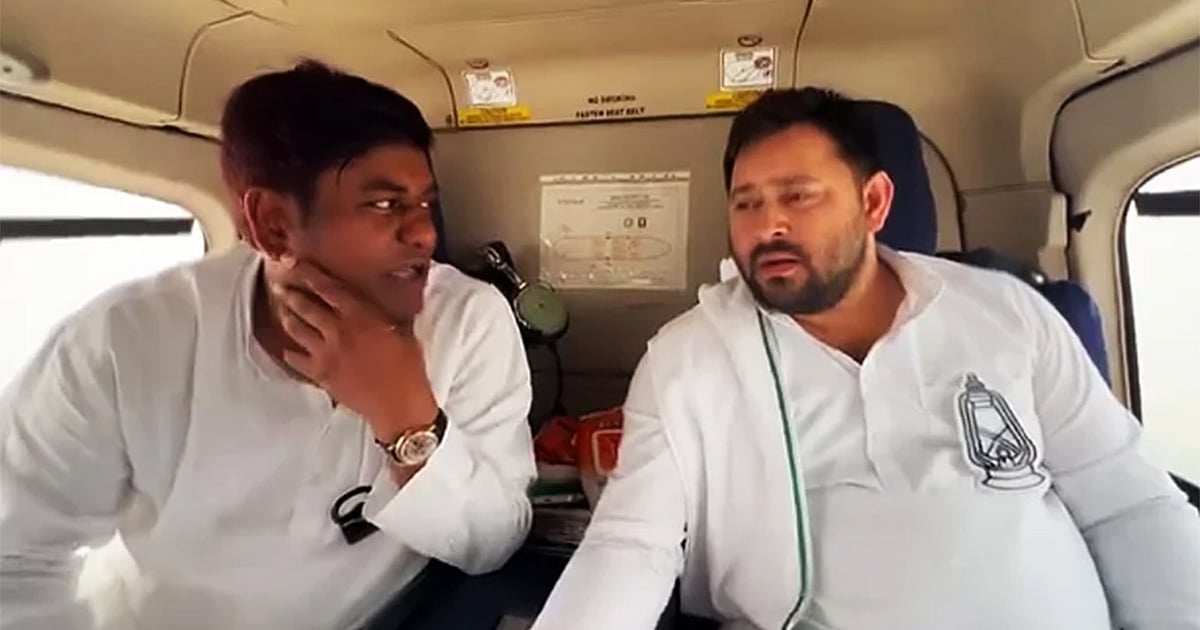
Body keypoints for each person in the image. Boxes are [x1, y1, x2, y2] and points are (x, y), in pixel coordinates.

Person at [532, 88, 1200, 630]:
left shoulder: (1008, 313)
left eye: (799, 196)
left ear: (874, 202)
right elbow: (630, 545)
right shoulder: (689, 358)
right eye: (746, 203)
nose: (768, 227)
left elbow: (1128, 503)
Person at [0, 61, 537, 630]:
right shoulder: (124, 340)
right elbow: (16, 557)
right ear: (272, 223)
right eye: (384, 205)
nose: (424, 233)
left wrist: (404, 416)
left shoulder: (468, 321)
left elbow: (493, 542)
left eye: (425, 203)